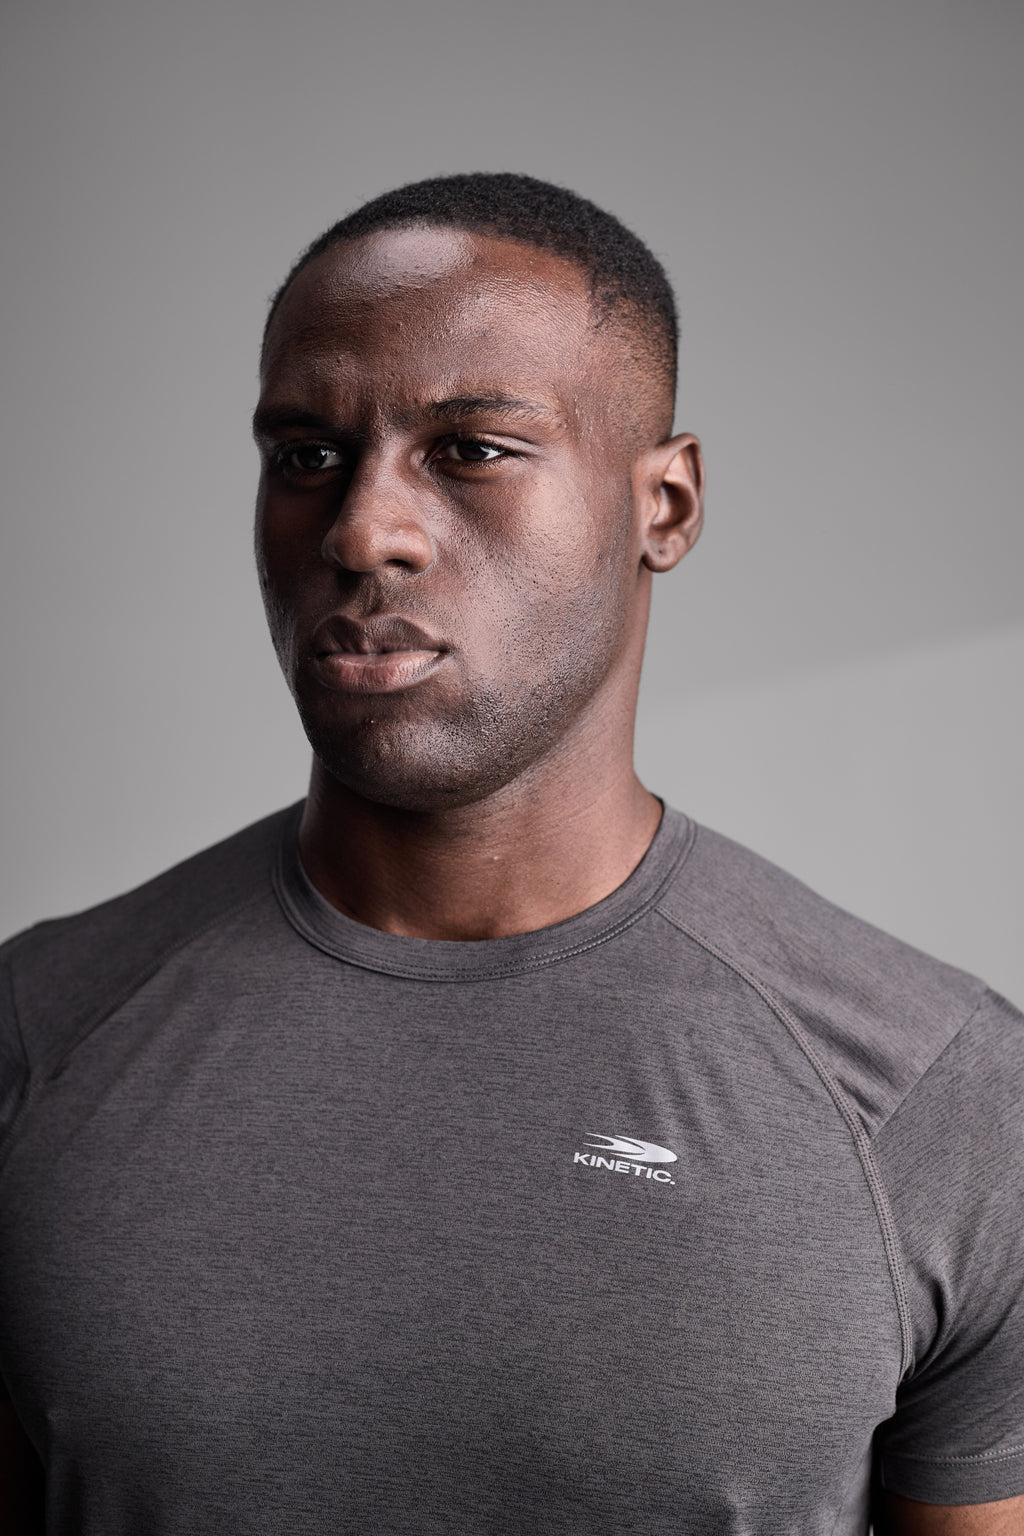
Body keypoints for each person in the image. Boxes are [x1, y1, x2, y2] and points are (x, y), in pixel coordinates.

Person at [0, 173, 1021, 1536]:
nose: (363, 530)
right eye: (305, 455)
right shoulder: (38, 1035)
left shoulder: (941, 1098)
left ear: (666, 506)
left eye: (472, 448)